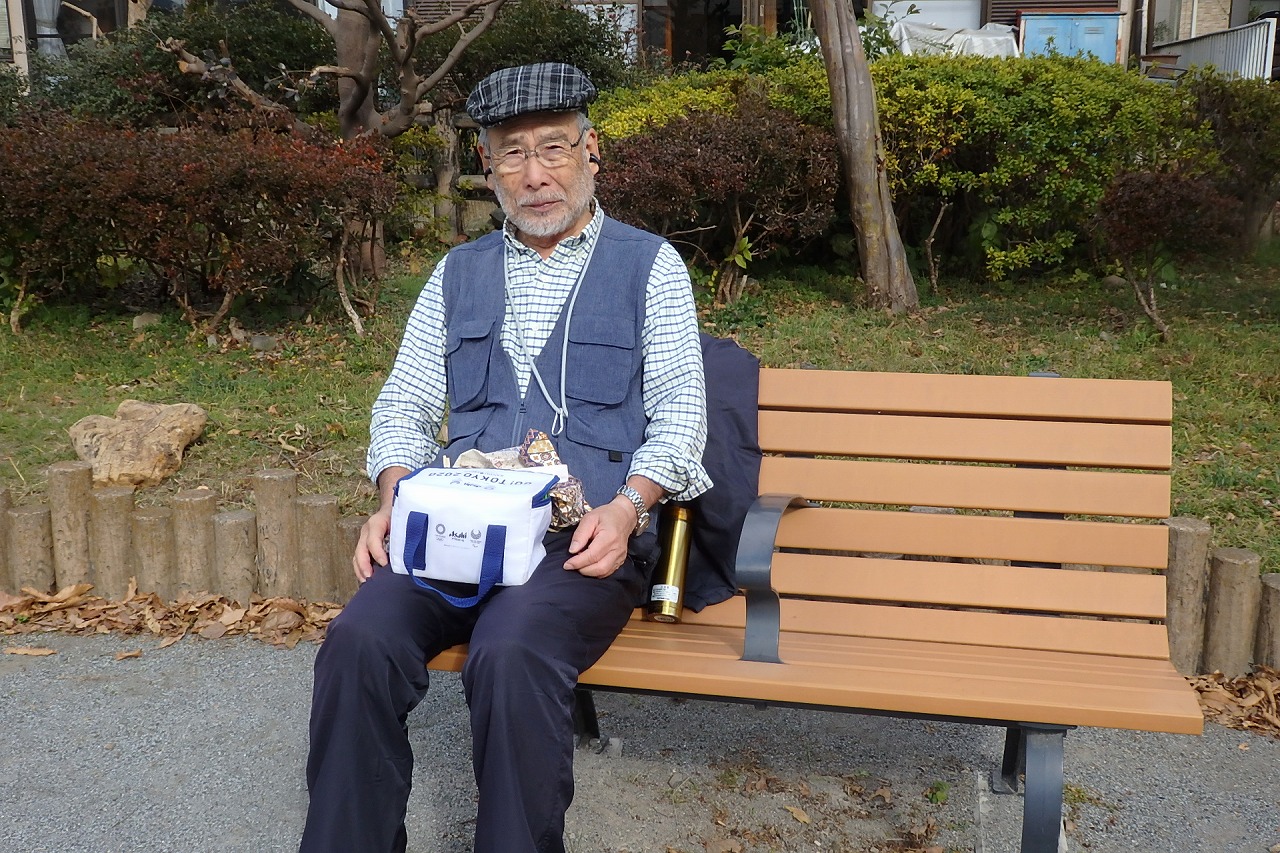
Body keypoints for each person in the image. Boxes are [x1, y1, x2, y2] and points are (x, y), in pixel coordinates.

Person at [299, 62, 711, 853]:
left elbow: (682, 420)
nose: (536, 174)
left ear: (592, 151)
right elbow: (404, 404)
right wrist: (393, 497)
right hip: (458, 531)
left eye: (554, 148)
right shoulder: (458, 274)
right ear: (487, 167)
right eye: (512, 153)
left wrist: (628, 508)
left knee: (512, 648)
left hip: (580, 540)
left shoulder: (649, 266)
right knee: (359, 640)